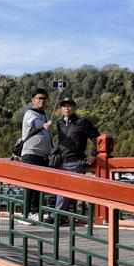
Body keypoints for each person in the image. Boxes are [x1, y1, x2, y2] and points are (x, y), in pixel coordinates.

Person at [53, 97, 100, 213]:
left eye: (69, 105)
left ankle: (57, 215)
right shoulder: (59, 123)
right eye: (64, 106)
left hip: (76, 161)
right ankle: (64, 215)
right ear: (61, 109)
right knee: (60, 189)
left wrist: (93, 154)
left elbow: (97, 139)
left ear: (74, 107)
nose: (67, 108)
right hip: (60, 162)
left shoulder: (82, 122)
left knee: (64, 189)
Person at [20, 88, 53, 222]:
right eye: (39, 98)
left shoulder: (44, 115)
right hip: (31, 153)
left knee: (39, 185)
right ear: (33, 100)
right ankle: (26, 213)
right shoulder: (30, 113)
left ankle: (35, 211)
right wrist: (44, 125)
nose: (42, 101)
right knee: (30, 184)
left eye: (44, 98)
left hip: (42, 155)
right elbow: (35, 123)